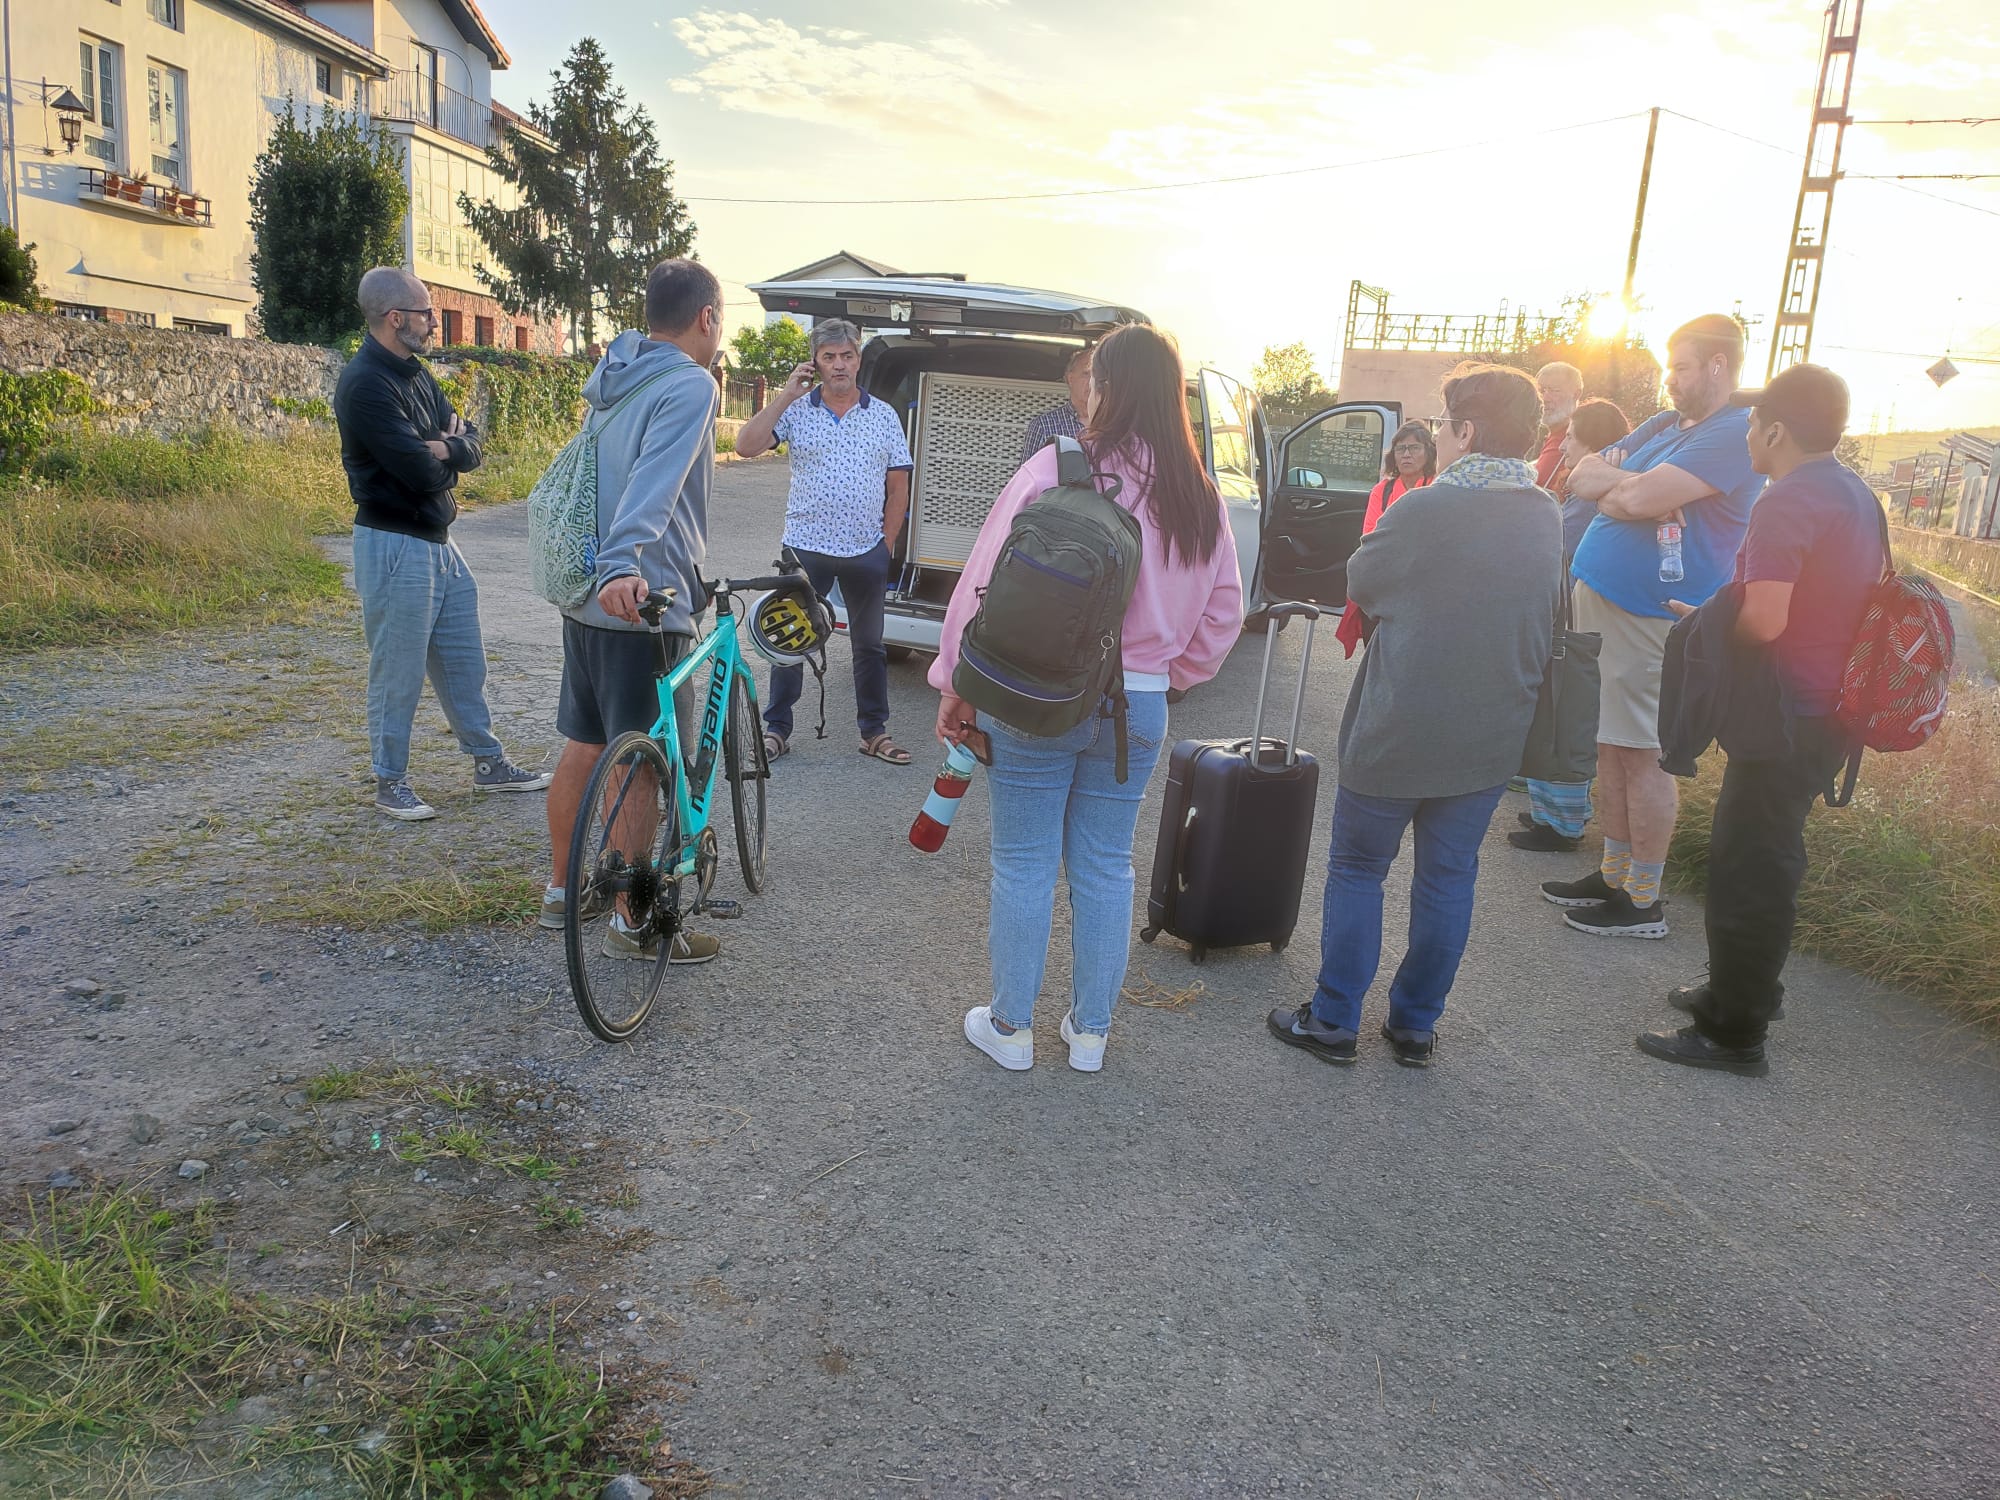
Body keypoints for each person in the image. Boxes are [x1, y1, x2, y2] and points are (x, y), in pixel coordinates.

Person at [932, 323, 1242, 1074]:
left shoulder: (1056, 467)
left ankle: (1009, 1027)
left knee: (1024, 862)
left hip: (1037, 697)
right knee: (1106, 865)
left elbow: (984, 582)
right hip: (1139, 705)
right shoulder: (1201, 495)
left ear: (1107, 386)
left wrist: (955, 682)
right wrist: (1167, 673)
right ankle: (1091, 1032)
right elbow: (1225, 612)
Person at [1269, 364, 1561, 1069]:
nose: (1436, 433)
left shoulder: (1424, 508)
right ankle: (1414, 1026)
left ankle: (1334, 1019)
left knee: (1360, 866)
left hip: (1402, 723)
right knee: (1449, 875)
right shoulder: (1544, 510)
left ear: (1466, 429)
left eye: (1443, 421)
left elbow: (1363, 581)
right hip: (1491, 730)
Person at [1639, 365, 1880, 1076]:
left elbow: (1767, 620)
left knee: (1749, 865)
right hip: (1827, 709)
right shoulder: (1854, 492)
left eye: (1751, 424)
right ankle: (1743, 989)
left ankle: (1732, 1032)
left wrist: (1712, 630)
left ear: (1774, 429)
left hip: (1787, 714)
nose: (1746, 435)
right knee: (1770, 854)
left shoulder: (1788, 499)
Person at [1542, 315, 1764, 937]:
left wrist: (1630, 492)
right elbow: (1583, 478)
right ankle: (1615, 874)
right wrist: (1634, 488)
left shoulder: (1730, 435)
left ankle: (1642, 898)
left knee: (1643, 753)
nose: (1669, 379)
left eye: (1682, 366)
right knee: (1610, 744)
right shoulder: (1667, 425)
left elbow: (1630, 500)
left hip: (1650, 615)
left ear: (1720, 366)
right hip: (1605, 600)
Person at [538, 259, 726, 964]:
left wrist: (604, 568)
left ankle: (563, 895)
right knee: (642, 766)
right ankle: (632, 922)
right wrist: (626, 564)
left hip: (586, 599)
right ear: (706, 317)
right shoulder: (687, 384)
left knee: (588, 746)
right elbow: (653, 484)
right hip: (640, 600)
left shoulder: (619, 373)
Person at [334, 266, 549, 821]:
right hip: (393, 541)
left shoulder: (417, 373)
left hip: (437, 540)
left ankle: (487, 763)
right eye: (426, 313)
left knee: (462, 658)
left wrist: (446, 448)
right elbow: (418, 472)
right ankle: (390, 781)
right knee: (397, 669)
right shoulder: (365, 384)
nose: (435, 322)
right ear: (394, 317)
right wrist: (444, 452)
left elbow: (472, 438)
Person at [735, 318, 915, 765]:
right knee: (790, 638)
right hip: (805, 547)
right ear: (815, 362)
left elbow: (898, 487)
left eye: (847, 356)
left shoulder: (883, 416)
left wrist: (886, 543)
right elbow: (745, 446)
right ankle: (777, 730)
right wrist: (785, 395)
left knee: (870, 645)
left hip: (864, 551)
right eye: (829, 357)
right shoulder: (797, 410)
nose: (839, 365)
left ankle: (873, 732)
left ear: (858, 360)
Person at [1512, 396, 1633, 853]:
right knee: (1560, 712)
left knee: (1565, 716)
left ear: (1595, 444)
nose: (1564, 451)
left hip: (1576, 620)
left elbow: (1558, 546)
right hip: (1574, 615)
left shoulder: (1590, 499)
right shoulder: (1592, 491)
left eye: (1573, 441)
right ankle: (1553, 813)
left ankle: (1561, 824)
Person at [1334, 420, 1436, 657]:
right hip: (1382, 587)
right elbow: (1369, 536)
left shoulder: (1436, 488)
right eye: (1401, 449)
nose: (1406, 455)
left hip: (1421, 589)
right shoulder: (1383, 490)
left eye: (1414, 448)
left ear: (1429, 453)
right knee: (1375, 655)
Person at [1021, 345, 1093, 460]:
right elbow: (1026, 476)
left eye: (1097, 375)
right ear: (1070, 379)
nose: (1092, 381)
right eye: (1086, 374)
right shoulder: (1043, 426)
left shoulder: (1115, 426)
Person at [1534, 362, 1584, 488]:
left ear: (1576, 394)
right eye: (1541, 391)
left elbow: (1538, 488)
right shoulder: (1554, 434)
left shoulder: (1574, 441)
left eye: (1555, 390)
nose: (1545, 398)